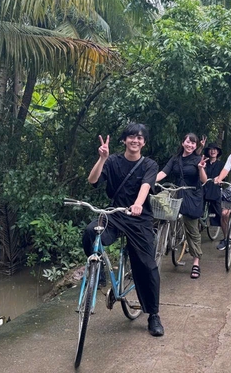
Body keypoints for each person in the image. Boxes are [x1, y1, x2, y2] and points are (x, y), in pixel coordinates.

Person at [83, 123, 164, 336]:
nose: (135, 141)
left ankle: (153, 314)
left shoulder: (149, 164)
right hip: (115, 214)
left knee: (147, 265)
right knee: (91, 232)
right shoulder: (112, 161)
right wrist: (101, 158)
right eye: (131, 137)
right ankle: (97, 272)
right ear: (124, 140)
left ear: (144, 142)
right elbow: (92, 180)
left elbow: (146, 186)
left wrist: (138, 204)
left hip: (139, 218)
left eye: (139, 138)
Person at [156, 133, 208, 279]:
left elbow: (204, 181)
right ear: (183, 142)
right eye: (188, 142)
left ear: (196, 145)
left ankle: (196, 261)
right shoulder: (175, 158)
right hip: (178, 192)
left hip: (192, 196)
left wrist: (201, 168)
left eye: (193, 143)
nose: (190, 145)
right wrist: (149, 181)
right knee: (158, 209)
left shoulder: (198, 159)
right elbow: (163, 172)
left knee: (192, 229)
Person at [203, 143, 224, 231]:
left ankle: (221, 225)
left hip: (215, 189)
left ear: (218, 151)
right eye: (211, 149)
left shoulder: (221, 164)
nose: (213, 151)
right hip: (204, 187)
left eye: (215, 149)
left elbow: (223, 177)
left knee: (218, 211)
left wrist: (219, 179)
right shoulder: (204, 163)